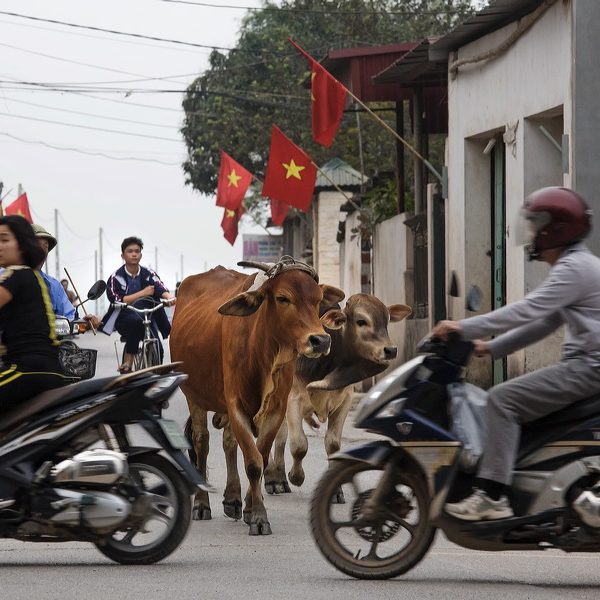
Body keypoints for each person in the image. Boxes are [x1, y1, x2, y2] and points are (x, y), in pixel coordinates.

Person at [433, 187, 600, 521]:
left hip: (588, 367)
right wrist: (492, 348)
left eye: (537, 224)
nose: (533, 234)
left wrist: (464, 328)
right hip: (586, 365)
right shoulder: (577, 266)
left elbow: (527, 310)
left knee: (502, 400)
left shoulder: (574, 269)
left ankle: (492, 496)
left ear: (556, 228)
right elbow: (546, 321)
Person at [0, 216, 69, 414]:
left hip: (26, 370)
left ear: (22, 245)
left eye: (5, 240)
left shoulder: (15, 275)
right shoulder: (34, 277)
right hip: (50, 369)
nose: (0, 246)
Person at [101, 236, 175, 373]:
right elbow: (116, 298)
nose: (134, 254)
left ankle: (156, 371)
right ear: (123, 255)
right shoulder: (115, 277)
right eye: (130, 251)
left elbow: (158, 286)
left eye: (137, 251)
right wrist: (142, 293)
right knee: (135, 322)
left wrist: (169, 297)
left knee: (158, 346)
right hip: (125, 317)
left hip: (148, 316)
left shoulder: (148, 273)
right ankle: (128, 361)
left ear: (141, 254)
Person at [31, 224, 75, 321]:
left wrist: (85, 322)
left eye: (45, 246)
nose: (42, 250)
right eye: (37, 245)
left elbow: (69, 315)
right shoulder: (7, 276)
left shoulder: (54, 285)